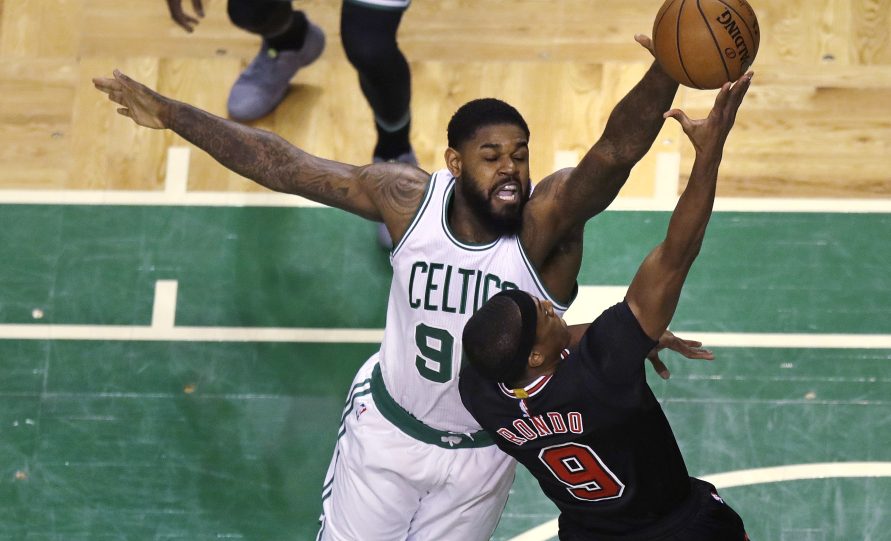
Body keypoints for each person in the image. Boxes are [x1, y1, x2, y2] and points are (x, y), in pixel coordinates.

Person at [93, 34, 699, 540]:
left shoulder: (546, 227)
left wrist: (670, 64)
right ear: (456, 163)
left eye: (520, 154)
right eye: (491, 155)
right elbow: (284, 165)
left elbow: (615, 152)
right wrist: (174, 114)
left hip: (480, 455)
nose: (511, 167)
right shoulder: (407, 201)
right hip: (387, 434)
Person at [459, 72, 753, 540]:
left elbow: (537, 352)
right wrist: (709, 151)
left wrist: (634, 338)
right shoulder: (604, 369)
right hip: (678, 529)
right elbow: (676, 253)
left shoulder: (481, 392)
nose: (554, 309)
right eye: (548, 315)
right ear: (536, 356)